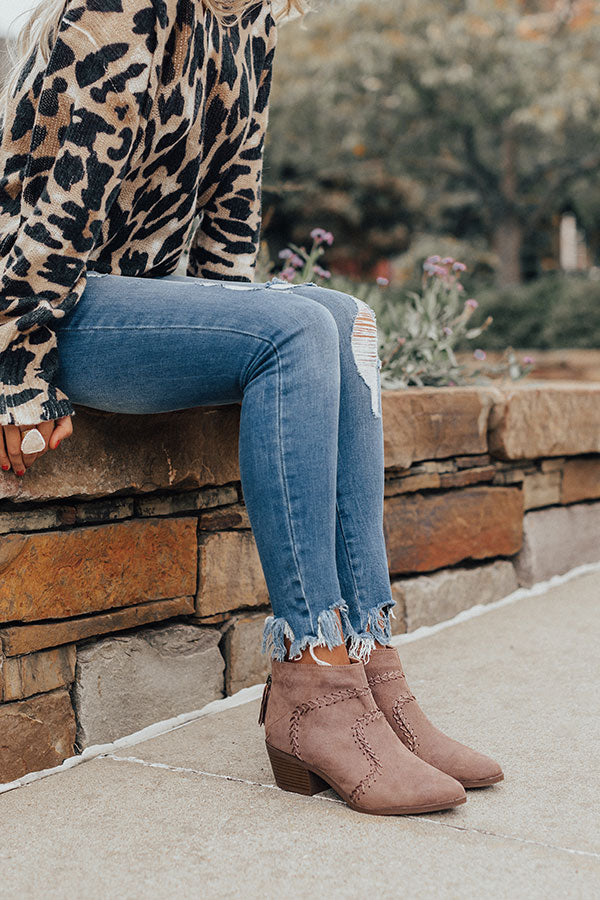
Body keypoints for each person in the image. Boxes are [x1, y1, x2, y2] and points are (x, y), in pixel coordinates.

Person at [0, 0, 503, 815]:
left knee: (344, 321)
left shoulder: (247, 24)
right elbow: (44, 226)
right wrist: (18, 376)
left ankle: (373, 667)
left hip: (148, 308)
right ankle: (315, 682)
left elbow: (230, 217)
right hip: (61, 309)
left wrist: (240, 342)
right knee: (299, 325)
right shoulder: (117, 16)